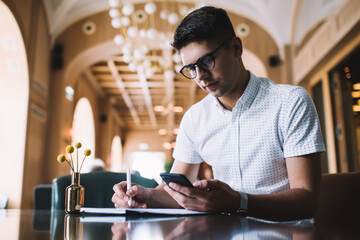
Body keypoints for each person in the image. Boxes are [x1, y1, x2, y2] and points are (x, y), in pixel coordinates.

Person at [112, 6, 325, 221]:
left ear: (236, 48)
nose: (201, 77)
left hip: (287, 233)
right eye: (191, 68)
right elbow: (178, 191)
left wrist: (238, 202)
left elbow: (307, 201)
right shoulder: (195, 118)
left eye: (206, 61)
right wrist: (143, 195)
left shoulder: (290, 102)